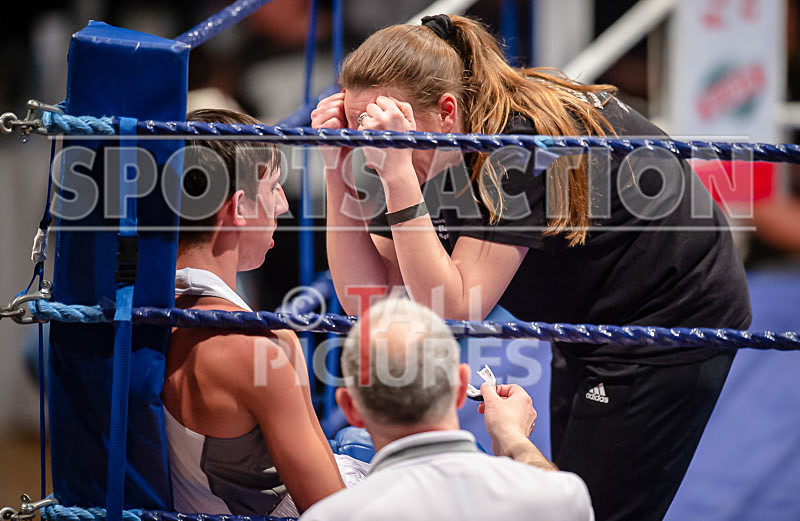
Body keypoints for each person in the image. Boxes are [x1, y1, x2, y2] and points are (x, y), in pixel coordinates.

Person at [312, 14, 751, 521]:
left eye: (388, 132)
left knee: (592, 509)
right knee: (566, 484)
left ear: (447, 111)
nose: (376, 149)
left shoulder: (517, 148)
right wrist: (337, 168)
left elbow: (455, 307)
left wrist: (397, 175)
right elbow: (370, 298)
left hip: (669, 309)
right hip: (586, 308)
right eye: (367, 130)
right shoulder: (411, 149)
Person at [162, 108, 349, 517]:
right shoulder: (261, 349)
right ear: (239, 207)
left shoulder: (136, 316)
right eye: (274, 186)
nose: (282, 204)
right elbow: (336, 512)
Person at [300, 298, 593, 521]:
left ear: (349, 407)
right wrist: (513, 437)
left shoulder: (328, 517)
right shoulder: (558, 497)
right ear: (461, 384)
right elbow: (557, 495)